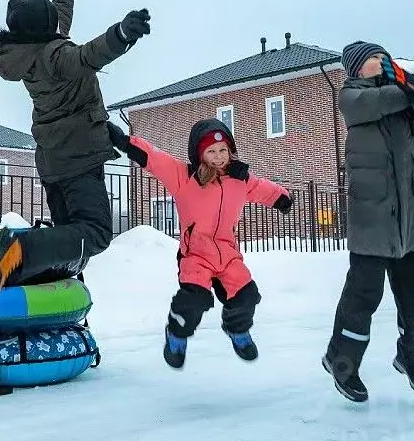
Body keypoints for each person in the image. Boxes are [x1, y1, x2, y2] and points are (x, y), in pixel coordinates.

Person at [0, 0, 151, 316]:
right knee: (96, 232)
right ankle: (18, 252)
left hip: (54, 161)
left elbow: (59, 17)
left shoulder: (31, 52)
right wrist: (121, 34)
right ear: (45, 30)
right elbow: (89, 55)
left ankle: (55, 312)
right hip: (78, 158)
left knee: (70, 242)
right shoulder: (57, 57)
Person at [322, 41, 414, 403]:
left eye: (383, 57)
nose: (380, 63)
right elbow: (374, 104)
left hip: (411, 222)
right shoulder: (351, 96)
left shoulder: (407, 100)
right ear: (356, 69)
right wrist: (412, 89)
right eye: (372, 60)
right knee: (363, 297)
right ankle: (341, 362)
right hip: (372, 220)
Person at [107, 118, 293, 368]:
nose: (218, 157)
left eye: (223, 150)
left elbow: (262, 188)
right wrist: (124, 141)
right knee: (194, 300)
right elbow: (154, 158)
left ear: (230, 151)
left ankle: (237, 329)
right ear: (200, 153)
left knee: (247, 295)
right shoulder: (185, 177)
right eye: (211, 151)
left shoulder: (240, 179)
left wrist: (281, 197)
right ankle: (176, 334)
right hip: (195, 254)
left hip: (228, 255)